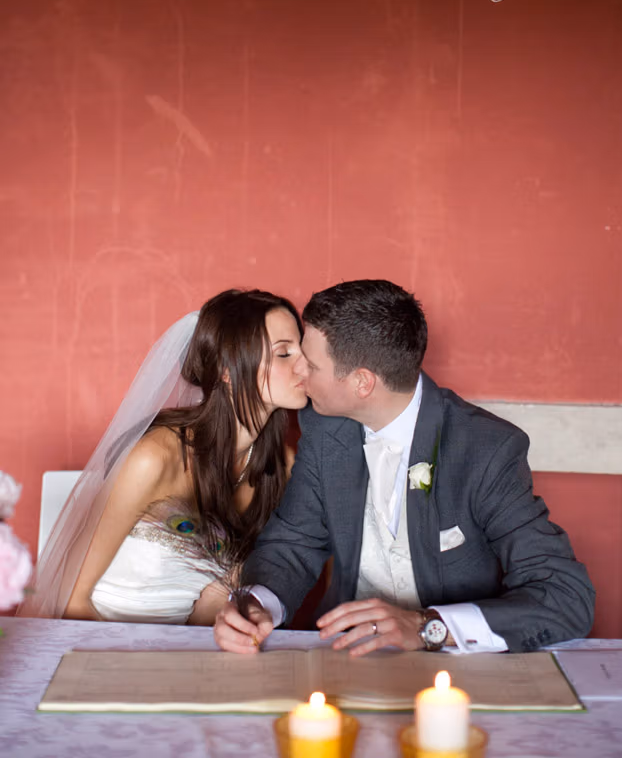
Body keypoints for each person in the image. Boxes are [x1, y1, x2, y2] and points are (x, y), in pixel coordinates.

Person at [214, 279, 595, 655]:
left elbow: (564, 595)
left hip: (456, 671)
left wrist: (430, 627)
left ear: (362, 382)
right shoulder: (324, 428)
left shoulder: (485, 448)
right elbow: (293, 543)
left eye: (309, 364)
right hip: (346, 659)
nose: (297, 373)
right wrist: (257, 603)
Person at [22, 288, 307, 623]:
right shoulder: (154, 459)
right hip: (98, 639)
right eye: (284, 354)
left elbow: (220, 598)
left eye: (303, 349)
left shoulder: (282, 466)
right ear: (228, 370)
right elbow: (72, 600)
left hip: (188, 650)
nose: (305, 365)